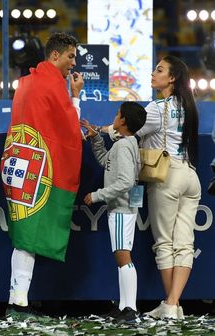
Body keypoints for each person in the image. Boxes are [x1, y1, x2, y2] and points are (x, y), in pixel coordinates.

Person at [101, 55, 201, 320]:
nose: (152, 73)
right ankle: (173, 304)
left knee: (165, 244)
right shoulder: (190, 105)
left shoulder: (157, 108)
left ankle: (170, 303)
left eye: (159, 70)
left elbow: (126, 128)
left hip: (166, 176)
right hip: (191, 175)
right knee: (185, 243)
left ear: (172, 78)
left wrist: (102, 130)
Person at [0, 32, 84, 319]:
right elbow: (70, 130)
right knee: (28, 238)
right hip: (36, 170)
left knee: (24, 235)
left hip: (18, 163)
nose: (73, 62)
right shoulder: (51, 85)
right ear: (55, 55)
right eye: (71, 56)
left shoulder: (26, 82)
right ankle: (17, 304)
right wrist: (75, 97)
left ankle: (18, 300)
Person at [81, 101, 147, 323]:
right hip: (125, 206)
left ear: (124, 121)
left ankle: (130, 308)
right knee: (122, 257)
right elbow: (105, 162)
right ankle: (124, 306)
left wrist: (98, 195)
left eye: (118, 114)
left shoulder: (124, 145)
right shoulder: (126, 144)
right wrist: (96, 138)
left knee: (122, 256)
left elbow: (125, 181)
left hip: (121, 207)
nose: (115, 117)